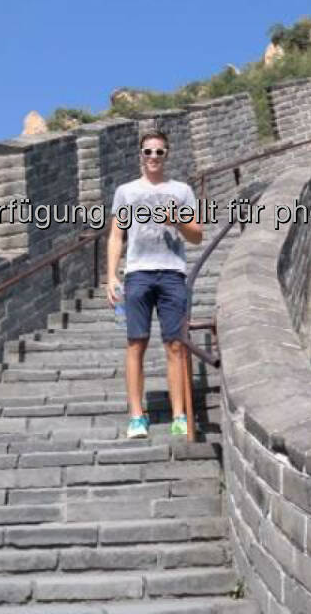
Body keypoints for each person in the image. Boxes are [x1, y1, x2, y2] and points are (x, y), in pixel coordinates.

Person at [105, 131, 202, 439]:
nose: (153, 157)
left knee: (175, 345)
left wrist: (178, 220)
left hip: (172, 273)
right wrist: (111, 275)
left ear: (167, 154)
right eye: (148, 151)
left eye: (159, 152)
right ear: (140, 154)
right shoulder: (126, 192)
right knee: (136, 343)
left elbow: (197, 235)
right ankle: (136, 415)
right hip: (138, 274)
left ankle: (179, 415)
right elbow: (116, 235)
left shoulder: (182, 191)